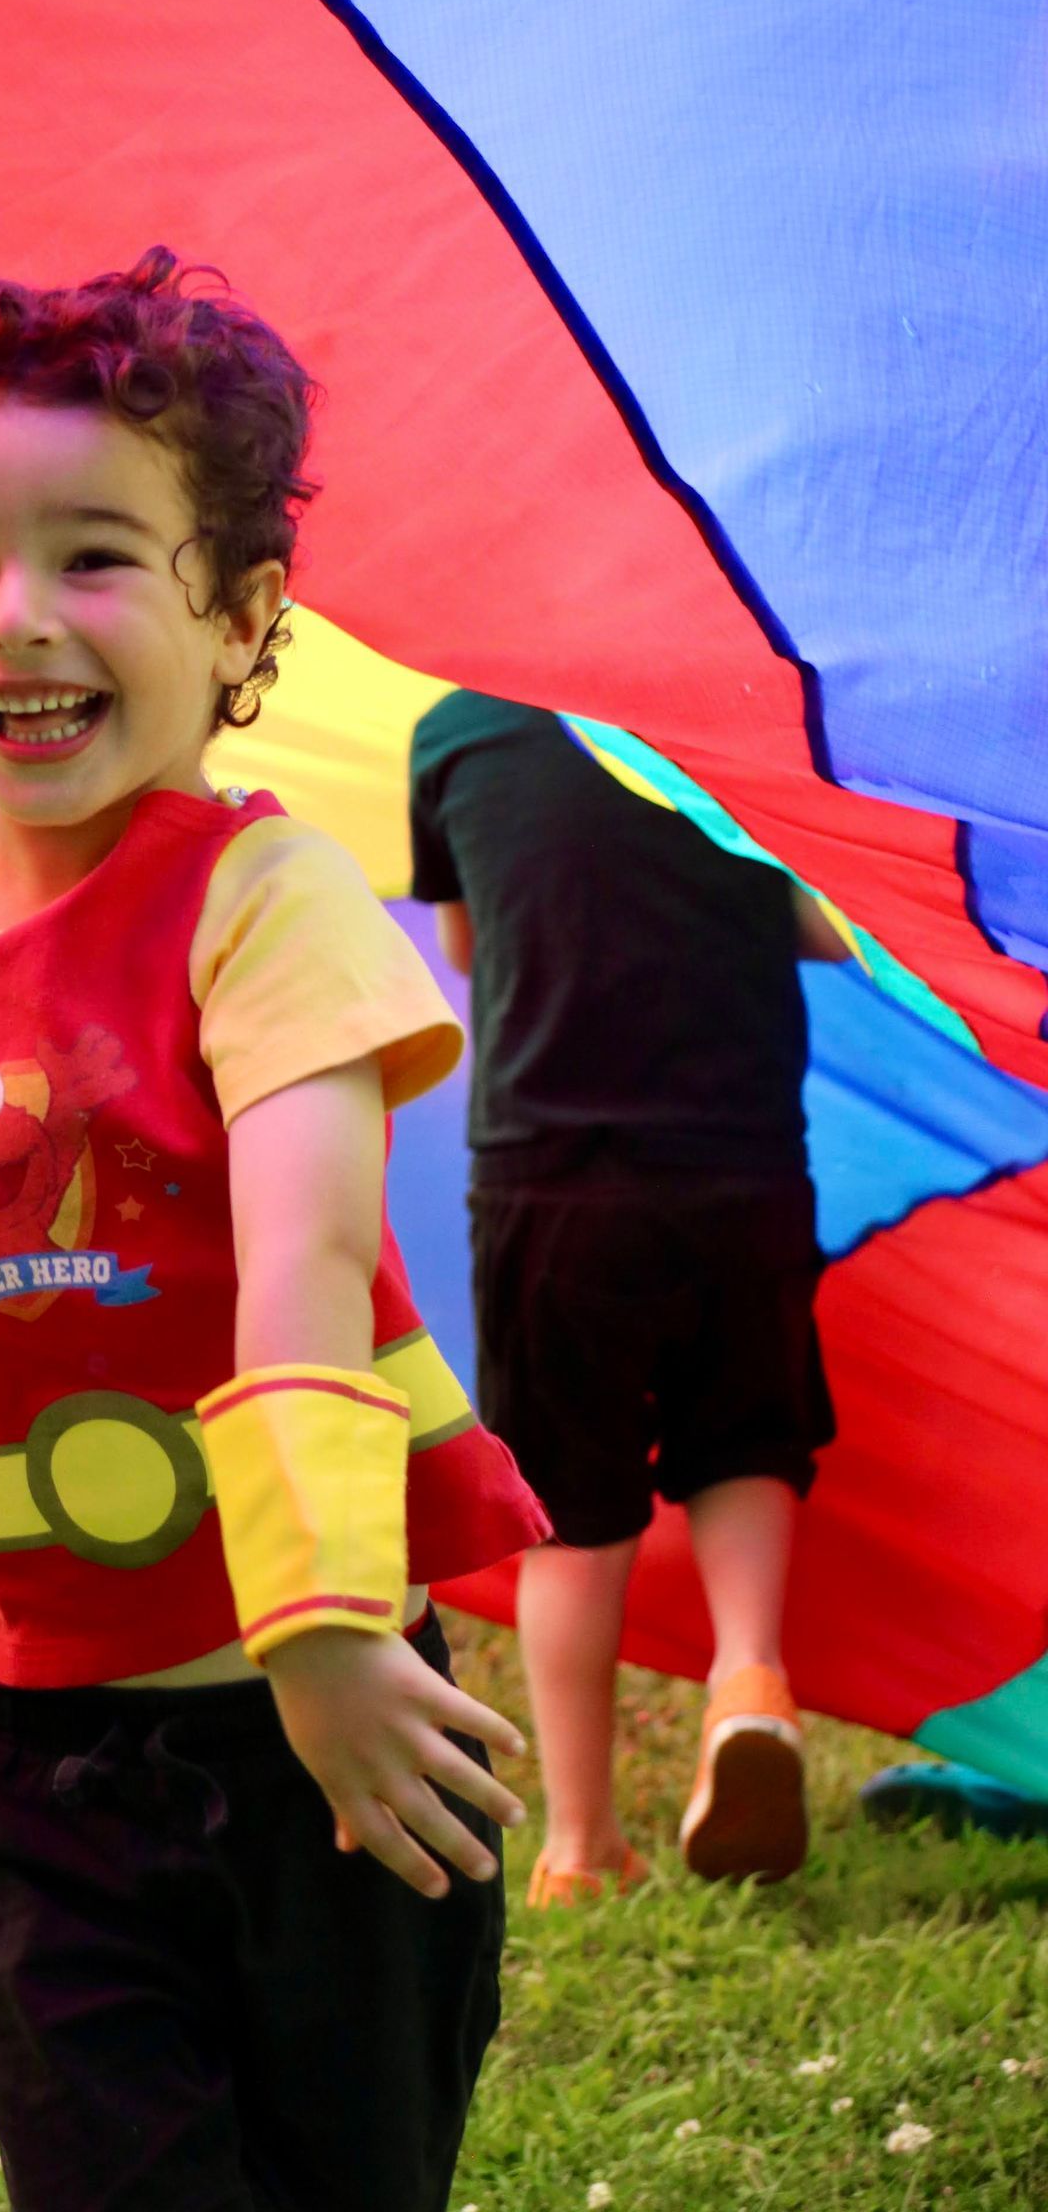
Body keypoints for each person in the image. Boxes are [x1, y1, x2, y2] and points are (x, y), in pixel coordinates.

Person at [0, 250, 550, 2212]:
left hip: (323, 1743)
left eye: (95, 558)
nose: (16, 621)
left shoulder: (265, 904)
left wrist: (332, 1636)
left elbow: (305, 1270)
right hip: (29, 1778)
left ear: (242, 614)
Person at [408, 691, 849, 1904]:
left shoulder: (455, 733)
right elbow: (826, 918)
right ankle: (751, 1682)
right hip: (743, 1158)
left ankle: (580, 1846)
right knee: (746, 1443)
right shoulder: (738, 705)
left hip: (552, 1181)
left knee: (571, 1510)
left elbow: (469, 946)